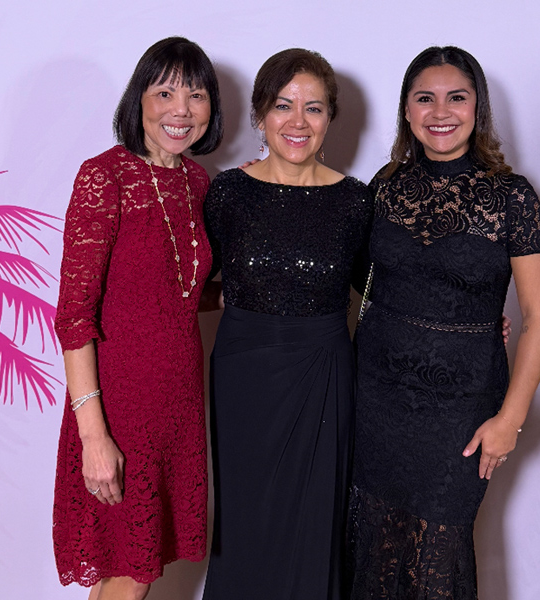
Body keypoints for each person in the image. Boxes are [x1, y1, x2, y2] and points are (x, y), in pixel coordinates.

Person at [348, 46, 540, 599]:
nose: (440, 112)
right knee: (372, 541)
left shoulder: (512, 197)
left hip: (463, 406)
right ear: (407, 110)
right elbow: (358, 279)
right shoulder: (385, 185)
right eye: (425, 98)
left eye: (456, 97)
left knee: (437, 551)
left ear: (477, 107)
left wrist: (510, 418)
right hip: (375, 398)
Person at [52, 37, 223, 600]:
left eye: (196, 95)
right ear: (139, 100)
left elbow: (180, 293)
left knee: (130, 570)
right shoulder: (105, 177)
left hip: (177, 407)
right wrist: (93, 434)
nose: (182, 110)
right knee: (131, 575)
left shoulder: (198, 182)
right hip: (119, 408)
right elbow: (74, 315)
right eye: (165, 93)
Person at [202, 48, 372, 600]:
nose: (298, 121)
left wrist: (466, 319)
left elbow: (382, 291)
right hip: (243, 380)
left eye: (313, 108)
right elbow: (190, 285)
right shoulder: (227, 192)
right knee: (244, 529)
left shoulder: (355, 201)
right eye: (283, 105)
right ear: (259, 114)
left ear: (330, 118)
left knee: (314, 529)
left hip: (324, 377)